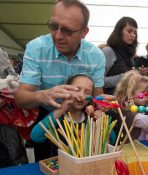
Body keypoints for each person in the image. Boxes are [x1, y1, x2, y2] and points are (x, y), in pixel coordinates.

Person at [15, 0, 105, 161]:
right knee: (45, 164)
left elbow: (97, 97)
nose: (58, 35)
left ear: (84, 32)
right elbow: (21, 98)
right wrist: (42, 96)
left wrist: (105, 106)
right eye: (53, 26)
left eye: (68, 31)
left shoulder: (96, 56)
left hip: (80, 119)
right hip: (47, 117)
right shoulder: (37, 48)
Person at [30, 74, 95, 156]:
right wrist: (61, 110)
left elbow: (111, 140)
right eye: (77, 90)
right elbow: (35, 137)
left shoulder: (90, 118)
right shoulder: (57, 118)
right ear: (66, 90)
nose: (82, 95)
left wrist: (99, 119)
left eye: (87, 92)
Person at [102, 16, 138, 95]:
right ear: (119, 31)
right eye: (129, 31)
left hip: (124, 101)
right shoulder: (108, 51)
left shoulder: (129, 54)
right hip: (109, 102)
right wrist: (125, 77)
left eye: (135, 32)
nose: (133, 35)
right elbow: (98, 81)